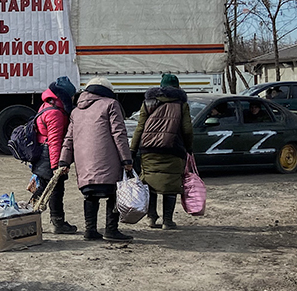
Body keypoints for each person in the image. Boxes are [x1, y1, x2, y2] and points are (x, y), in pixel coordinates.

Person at [57, 77, 134, 242]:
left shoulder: (76, 111)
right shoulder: (111, 104)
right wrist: (126, 159)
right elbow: (119, 134)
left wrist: (64, 161)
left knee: (90, 195)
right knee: (114, 193)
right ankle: (111, 230)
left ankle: (90, 230)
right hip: (108, 160)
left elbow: (68, 138)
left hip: (84, 163)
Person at [129, 73, 193, 229]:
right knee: (170, 183)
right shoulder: (181, 104)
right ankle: (167, 221)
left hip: (149, 148)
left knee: (150, 183)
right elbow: (187, 129)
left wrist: (132, 150)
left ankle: (151, 218)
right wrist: (189, 149)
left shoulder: (148, 103)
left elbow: (140, 128)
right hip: (173, 147)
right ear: (177, 87)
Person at [31, 77, 77, 235]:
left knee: (43, 190)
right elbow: (55, 142)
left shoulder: (46, 105)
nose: (73, 99)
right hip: (49, 156)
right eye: (71, 96)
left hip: (41, 154)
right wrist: (57, 166)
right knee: (55, 191)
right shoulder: (55, 113)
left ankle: (30, 219)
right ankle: (57, 223)